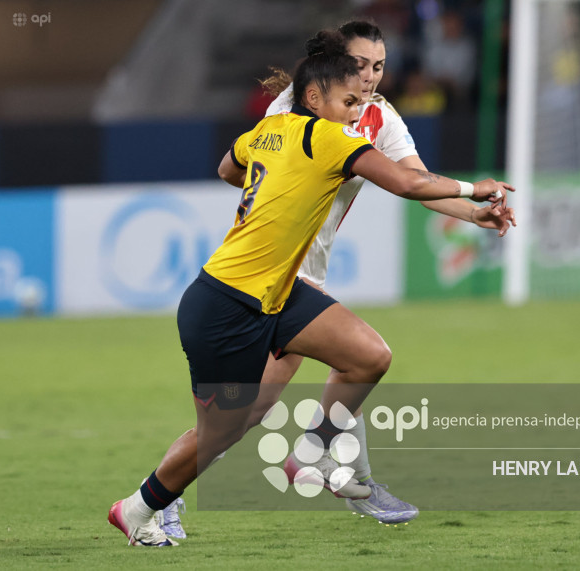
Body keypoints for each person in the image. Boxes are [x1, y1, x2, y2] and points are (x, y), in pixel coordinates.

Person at [107, 33, 513, 547]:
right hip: (231, 300)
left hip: (286, 287)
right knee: (226, 430)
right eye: (356, 79)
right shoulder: (330, 134)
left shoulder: (297, 125)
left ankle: (322, 453)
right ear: (318, 91)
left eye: (379, 69)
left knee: (368, 356)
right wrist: (475, 187)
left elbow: (230, 166)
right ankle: (143, 505)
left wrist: (279, 182)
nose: (364, 90)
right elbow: (411, 184)